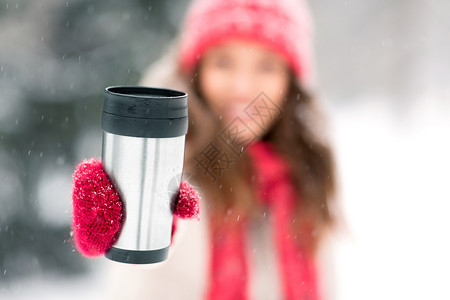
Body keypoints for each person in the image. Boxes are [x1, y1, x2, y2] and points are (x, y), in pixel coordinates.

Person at [87, 0, 338, 299]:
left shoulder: (306, 177)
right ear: (196, 71)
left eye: (267, 66)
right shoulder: (168, 172)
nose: (243, 87)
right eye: (223, 62)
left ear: (291, 80)